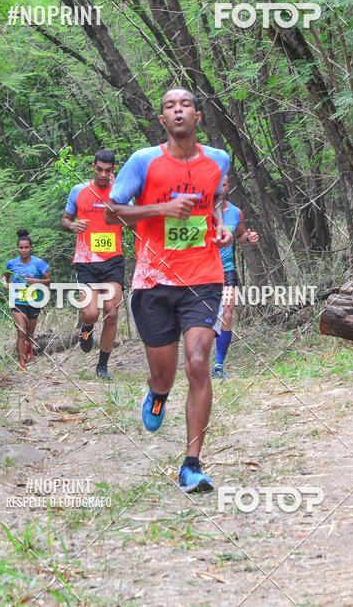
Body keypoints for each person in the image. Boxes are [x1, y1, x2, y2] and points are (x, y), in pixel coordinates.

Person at [106, 88, 231, 493]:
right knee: (165, 374)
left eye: (186, 105)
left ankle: (191, 464)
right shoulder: (143, 161)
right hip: (153, 281)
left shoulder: (218, 159)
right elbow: (112, 210)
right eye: (169, 107)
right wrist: (159, 209)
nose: (178, 111)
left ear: (198, 115)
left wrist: (220, 225)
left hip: (203, 276)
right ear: (162, 120)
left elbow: (214, 201)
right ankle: (158, 395)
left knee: (197, 361)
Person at [62, 150, 124, 380]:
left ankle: (102, 366)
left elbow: (130, 218)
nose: (103, 174)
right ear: (93, 167)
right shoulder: (79, 191)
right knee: (90, 313)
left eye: (108, 170)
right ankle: (86, 330)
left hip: (112, 260)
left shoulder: (119, 193)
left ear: (113, 170)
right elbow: (65, 219)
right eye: (99, 169)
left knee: (111, 313)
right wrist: (72, 226)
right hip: (86, 260)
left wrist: (118, 193)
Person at [212, 176, 259, 379]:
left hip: (227, 269)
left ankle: (218, 364)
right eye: (217, 184)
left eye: (224, 184)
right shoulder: (201, 212)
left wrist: (248, 238)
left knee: (227, 313)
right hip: (204, 270)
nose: (221, 188)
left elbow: (240, 236)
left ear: (228, 186)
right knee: (204, 318)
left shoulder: (235, 212)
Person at [3, 229, 51, 370]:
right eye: (21, 247)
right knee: (21, 331)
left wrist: (36, 281)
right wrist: (5, 283)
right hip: (17, 300)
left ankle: (29, 347)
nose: (23, 250)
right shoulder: (11, 264)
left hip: (34, 300)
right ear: (18, 248)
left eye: (26, 247)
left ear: (31, 248)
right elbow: (5, 276)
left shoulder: (39, 263)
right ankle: (22, 363)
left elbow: (48, 280)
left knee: (29, 333)